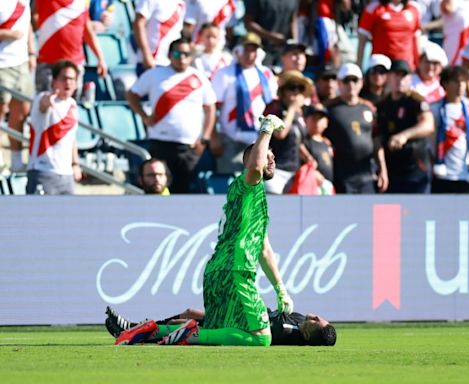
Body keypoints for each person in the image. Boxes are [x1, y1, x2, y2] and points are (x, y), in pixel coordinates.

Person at [116, 114, 294, 347]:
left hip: (218, 271)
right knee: (261, 338)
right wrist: (267, 128)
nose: (272, 160)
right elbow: (257, 165)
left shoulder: (254, 200)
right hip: (235, 270)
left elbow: (264, 249)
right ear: (250, 160)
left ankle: (147, 331)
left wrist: (280, 289)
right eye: (267, 155)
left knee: (215, 327)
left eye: (273, 157)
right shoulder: (249, 184)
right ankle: (189, 336)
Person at [127, 37, 216, 194]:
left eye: (186, 54)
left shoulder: (199, 77)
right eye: (177, 53)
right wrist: (144, 116)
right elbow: (132, 95)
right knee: (158, 189)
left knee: (185, 191)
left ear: (191, 56)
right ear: (169, 55)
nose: (181, 57)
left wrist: (205, 138)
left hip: (189, 147)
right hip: (160, 142)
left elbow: (210, 108)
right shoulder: (154, 74)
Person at [210, 32, 278, 174]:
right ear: (238, 51)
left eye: (253, 50)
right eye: (246, 50)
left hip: (259, 139)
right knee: (232, 183)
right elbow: (213, 106)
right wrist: (214, 137)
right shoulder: (224, 73)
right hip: (230, 138)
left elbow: (272, 105)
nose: (249, 55)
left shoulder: (266, 74)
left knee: (257, 182)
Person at [105, 305, 337, 346]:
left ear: (309, 336)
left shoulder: (291, 333)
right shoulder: (299, 322)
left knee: (185, 322)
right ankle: (135, 328)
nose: (315, 316)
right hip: (242, 315)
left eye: (316, 322)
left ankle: (131, 330)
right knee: (186, 317)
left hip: (240, 323)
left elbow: (267, 321)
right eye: (319, 317)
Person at [325, 63, 388, 194]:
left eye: (355, 80)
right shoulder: (329, 109)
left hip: (366, 174)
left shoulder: (368, 108)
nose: (351, 84)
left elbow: (376, 140)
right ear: (339, 83)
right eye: (346, 80)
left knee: (368, 212)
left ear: (361, 82)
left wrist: (382, 169)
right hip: (342, 175)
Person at [375, 59, 435, 193]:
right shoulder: (383, 105)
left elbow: (428, 125)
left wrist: (404, 135)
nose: (399, 79)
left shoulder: (415, 100)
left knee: (417, 211)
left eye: (404, 75)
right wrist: (382, 168)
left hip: (415, 168)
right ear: (388, 77)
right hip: (392, 169)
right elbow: (377, 136)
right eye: (396, 75)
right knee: (390, 212)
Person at [430, 65, 469, 193]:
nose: (461, 86)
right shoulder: (435, 109)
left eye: (464, 81)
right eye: (456, 82)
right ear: (445, 84)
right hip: (444, 175)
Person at [26, 60, 82, 195]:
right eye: (64, 79)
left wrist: (75, 164)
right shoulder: (41, 97)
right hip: (42, 171)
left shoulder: (73, 106)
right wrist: (49, 99)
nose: (68, 83)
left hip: (66, 175)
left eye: (72, 79)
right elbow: (43, 104)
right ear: (54, 81)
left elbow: (71, 139)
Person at [32, 0, 108, 97]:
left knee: (70, 107)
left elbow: (87, 29)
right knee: (45, 106)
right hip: (49, 63)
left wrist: (100, 58)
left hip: (75, 64)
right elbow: (33, 16)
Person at [262, 70, 313, 194]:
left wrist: (309, 158)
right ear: (283, 91)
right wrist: (291, 107)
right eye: (292, 87)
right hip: (275, 171)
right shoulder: (273, 109)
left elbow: (298, 139)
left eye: (300, 88)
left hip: (294, 171)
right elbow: (280, 134)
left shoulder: (299, 114)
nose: (296, 92)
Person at [0, 0, 35, 172]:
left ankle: (16, 160)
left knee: (21, 112)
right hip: (1, 65)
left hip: (21, 63)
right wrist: (6, 34)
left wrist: (31, 52)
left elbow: (26, 24)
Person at [357, 0, 422, 71]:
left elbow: (416, 41)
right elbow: (362, 42)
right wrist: (359, 67)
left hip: (405, 68)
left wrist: (419, 68)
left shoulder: (413, 8)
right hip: (382, 69)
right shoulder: (373, 8)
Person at [132, 0, 186, 76]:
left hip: (172, 63)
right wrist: (146, 55)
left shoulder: (180, 3)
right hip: (152, 62)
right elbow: (138, 24)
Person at [243, 0, 300, 66]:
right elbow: (248, 23)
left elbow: (293, 19)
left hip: (284, 50)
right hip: (262, 49)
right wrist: (270, 37)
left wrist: (294, 44)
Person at [301, 105, 336, 194]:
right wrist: (314, 173)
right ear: (306, 120)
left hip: (328, 185)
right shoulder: (304, 142)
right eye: (314, 118)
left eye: (320, 119)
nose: (317, 122)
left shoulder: (327, 143)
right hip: (312, 185)